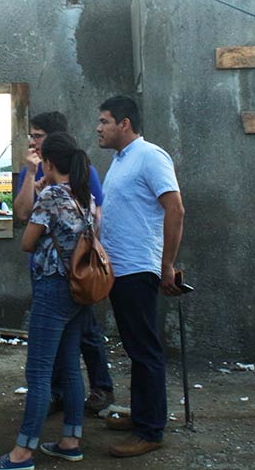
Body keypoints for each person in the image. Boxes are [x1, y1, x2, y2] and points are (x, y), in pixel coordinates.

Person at [0, 132, 94, 470]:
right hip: (77, 290)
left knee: (39, 371)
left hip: (52, 289)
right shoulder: (81, 195)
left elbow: (28, 242)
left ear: (49, 162)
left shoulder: (53, 195)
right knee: (70, 366)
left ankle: (22, 453)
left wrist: (39, 188)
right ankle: (71, 441)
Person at [95, 95, 185, 458]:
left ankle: (151, 430)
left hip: (138, 269)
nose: (98, 129)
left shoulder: (150, 156)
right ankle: (143, 416)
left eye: (104, 121)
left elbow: (175, 208)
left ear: (125, 123)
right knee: (136, 349)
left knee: (145, 350)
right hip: (120, 270)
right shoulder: (120, 161)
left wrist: (167, 265)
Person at [12, 111, 114, 415]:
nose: (31, 141)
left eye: (37, 135)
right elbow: (21, 213)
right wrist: (31, 176)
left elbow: (95, 217)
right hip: (46, 271)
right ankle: (64, 411)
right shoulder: (32, 173)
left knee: (84, 334)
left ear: (53, 140)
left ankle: (100, 387)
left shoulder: (79, 175)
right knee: (65, 350)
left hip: (72, 271)